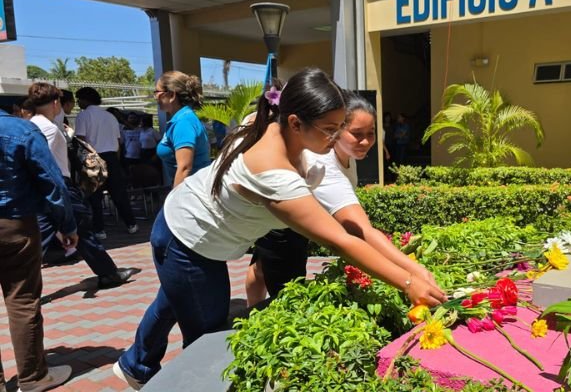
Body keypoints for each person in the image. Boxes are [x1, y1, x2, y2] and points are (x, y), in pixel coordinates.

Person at [113, 68, 446, 390]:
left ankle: (135, 365)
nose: (337, 138)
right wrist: (407, 281)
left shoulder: (268, 124)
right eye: (331, 130)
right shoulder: (273, 171)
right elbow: (342, 240)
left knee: (175, 297)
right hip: (188, 241)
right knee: (208, 343)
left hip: (180, 223)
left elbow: (359, 228)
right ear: (295, 122)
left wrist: (414, 270)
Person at [245, 92, 438, 306]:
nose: (365, 141)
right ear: (336, 129)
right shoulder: (324, 165)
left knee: (261, 268)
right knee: (287, 297)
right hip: (282, 225)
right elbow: (361, 232)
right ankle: (253, 318)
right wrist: (413, 274)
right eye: (356, 133)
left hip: (285, 215)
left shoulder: (345, 153)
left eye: (371, 133)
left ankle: (249, 309)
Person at [28, 83, 135, 289]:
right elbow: (43, 160)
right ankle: (108, 274)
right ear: (56, 102)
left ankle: (108, 273)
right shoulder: (48, 129)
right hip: (58, 184)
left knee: (74, 230)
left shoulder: (33, 124)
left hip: (47, 186)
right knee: (76, 227)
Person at [0, 108, 76, 392]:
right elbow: (52, 182)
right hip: (15, 224)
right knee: (22, 300)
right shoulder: (20, 129)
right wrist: (66, 224)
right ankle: (32, 377)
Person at [74, 87, 138, 239]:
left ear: (85, 99)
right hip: (112, 156)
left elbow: (81, 139)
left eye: (79, 99)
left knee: (94, 195)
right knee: (118, 193)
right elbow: (117, 141)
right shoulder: (110, 116)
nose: (78, 103)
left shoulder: (83, 116)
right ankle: (131, 224)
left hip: (93, 156)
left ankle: (99, 229)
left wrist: (83, 161)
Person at [154, 71, 211, 188]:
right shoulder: (181, 118)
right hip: (190, 191)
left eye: (157, 92)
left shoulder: (183, 122)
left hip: (192, 194)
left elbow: (185, 168)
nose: (155, 97)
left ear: (171, 95)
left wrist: (175, 201)